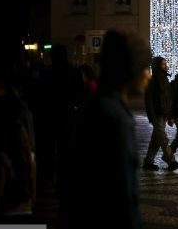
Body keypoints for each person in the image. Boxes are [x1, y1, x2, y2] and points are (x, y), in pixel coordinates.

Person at [62, 30, 152, 229]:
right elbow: (121, 195)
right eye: (145, 67)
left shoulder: (98, 106)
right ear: (131, 69)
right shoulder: (115, 118)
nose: (148, 75)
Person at [142, 57, 178, 171]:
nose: (165, 65)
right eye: (163, 64)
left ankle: (148, 162)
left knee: (156, 140)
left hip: (163, 114)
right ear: (157, 66)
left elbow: (167, 99)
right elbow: (149, 100)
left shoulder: (164, 78)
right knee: (163, 139)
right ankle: (171, 161)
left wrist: (169, 115)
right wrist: (152, 117)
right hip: (157, 115)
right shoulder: (153, 80)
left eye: (165, 64)